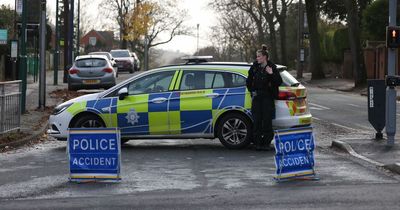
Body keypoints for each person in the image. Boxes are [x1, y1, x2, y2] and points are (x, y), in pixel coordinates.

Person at [246, 44, 282, 151]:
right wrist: (252, 91)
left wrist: (271, 74)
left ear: (264, 57)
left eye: (259, 56)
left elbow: (278, 82)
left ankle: (266, 143)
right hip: (257, 98)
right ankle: (257, 143)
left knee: (267, 121)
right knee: (256, 121)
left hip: (267, 98)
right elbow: (248, 81)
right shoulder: (254, 68)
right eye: (257, 56)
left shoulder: (271, 67)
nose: (257, 58)